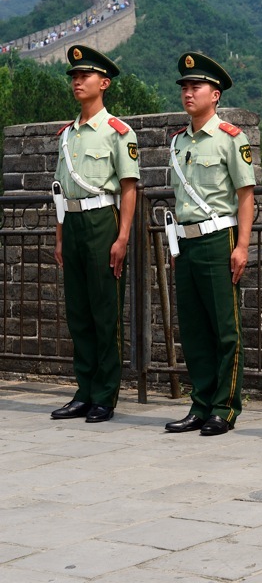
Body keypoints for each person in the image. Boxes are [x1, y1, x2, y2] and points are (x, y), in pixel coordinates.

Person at [164, 52, 256, 437]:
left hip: (219, 238)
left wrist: (242, 246)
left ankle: (224, 408)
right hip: (186, 243)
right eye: (184, 87)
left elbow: (246, 195)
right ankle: (200, 405)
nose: (188, 93)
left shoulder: (230, 139)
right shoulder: (177, 142)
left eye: (196, 87)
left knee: (224, 328)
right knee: (194, 329)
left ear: (215, 94)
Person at [51, 45, 140, 423]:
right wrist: (59, 237)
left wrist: (122, 238)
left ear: (104, 83)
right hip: (71, 223)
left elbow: (129, 188)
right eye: (74, 76)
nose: (77, 81)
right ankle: (84, 391)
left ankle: (105, 395)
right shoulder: (66, 135)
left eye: (84, 76)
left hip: (103, 220)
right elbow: (59, 190)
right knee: (78, 312)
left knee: (105, 312)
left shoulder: (117, 132)